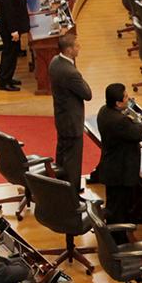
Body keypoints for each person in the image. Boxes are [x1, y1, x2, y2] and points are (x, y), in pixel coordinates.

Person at [91, 83, 142, 226]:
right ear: (117, 103)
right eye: (126, 97)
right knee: (119, 209)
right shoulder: (120, 121)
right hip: (120, 171)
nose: (129, 100)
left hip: (111, 166)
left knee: (114, 205)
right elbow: (140, 134)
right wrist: (137, 121)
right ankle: (119, 240)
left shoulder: (104, 110)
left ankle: (116, 233)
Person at [49, 34, 92, 189]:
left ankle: (60, 186)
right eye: (76, 46)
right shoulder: (71, 72)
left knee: (61, 154)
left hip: (61, 116)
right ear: (68, 50)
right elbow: (88, 94)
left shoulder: (55, 61)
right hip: (72, 121)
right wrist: (80, 77)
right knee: (73, 160)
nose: (79, 48)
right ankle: (72, 194)